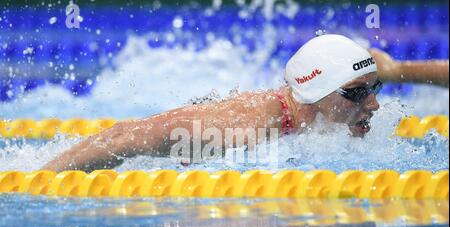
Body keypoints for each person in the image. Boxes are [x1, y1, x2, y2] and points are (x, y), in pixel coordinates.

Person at [42, 34, 449, 172]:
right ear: (315, 94)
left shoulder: (323, 108)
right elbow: (124, 136)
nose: (375, 105)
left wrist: (388, 76)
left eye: (376, 88)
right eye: (358, 93)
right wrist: (36, 182)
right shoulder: (242, 128)